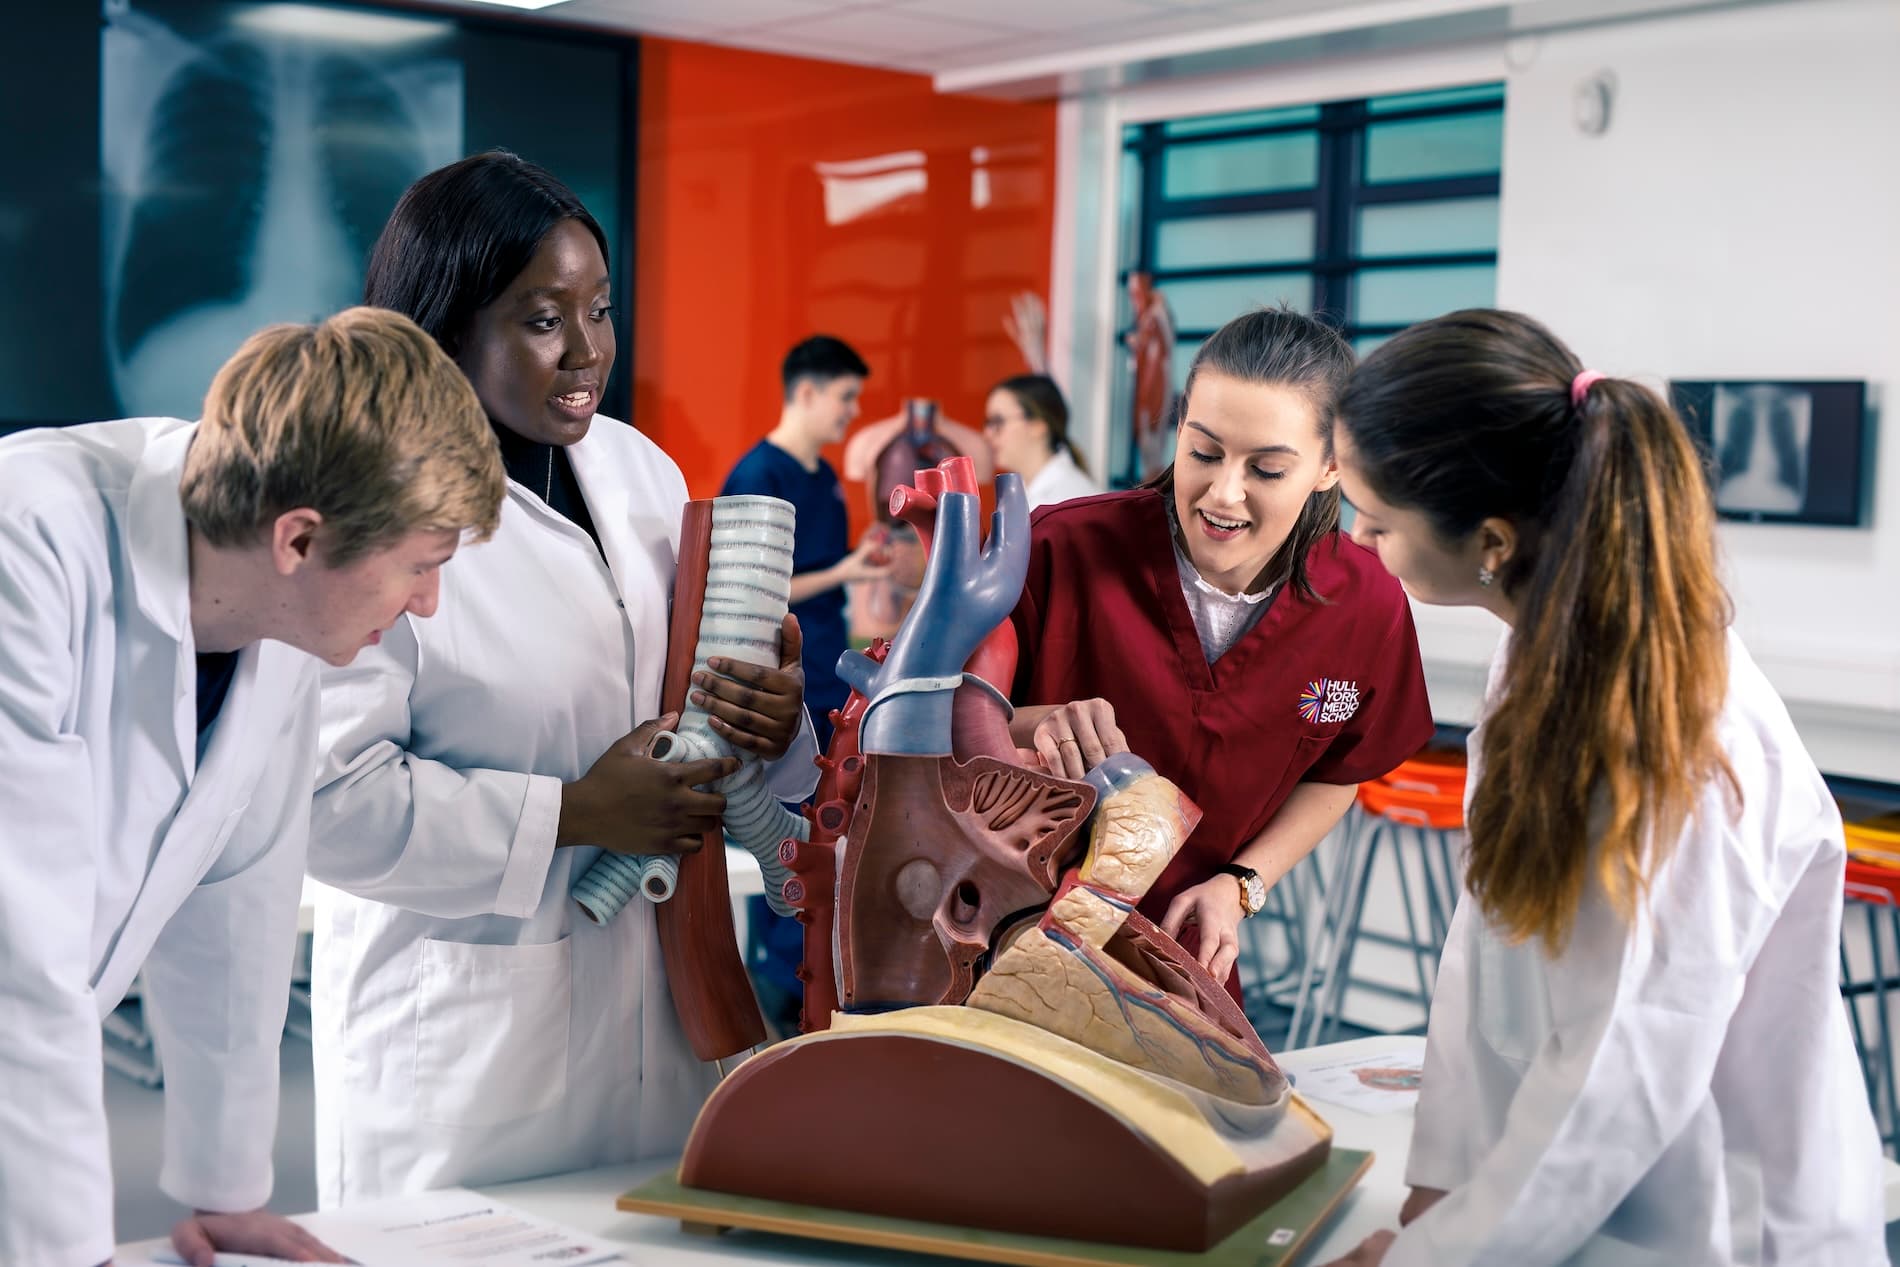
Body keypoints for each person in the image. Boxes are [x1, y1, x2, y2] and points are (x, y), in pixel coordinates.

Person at [1321, 309, 1884, 1266]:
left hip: (1712, 1223)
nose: (1361, 542)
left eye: (1377, 523)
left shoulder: (1686, 741)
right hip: (1563, 1203)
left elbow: (1621, 1066)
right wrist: (1445, 1177)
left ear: (1491, 538)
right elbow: (1487, 934)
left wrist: (1440, 1254)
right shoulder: (1537, 657)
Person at [308, 151, 819, 1204]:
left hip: (665, 1011)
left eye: (600, 309)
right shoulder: (368, 506)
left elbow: (692, 714)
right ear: (446, 328)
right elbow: (327, 800)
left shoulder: (642, 475)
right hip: (470, 1040)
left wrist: (775, 716)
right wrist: (573, 813)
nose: (587, 351)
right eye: (544, 319)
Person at [0, 307, 503, 1265]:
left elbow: (239, 898)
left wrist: (220, 1190)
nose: (426, 605)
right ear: (300, 540)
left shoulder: (278, 618)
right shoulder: (25, 545)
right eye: (421, 566)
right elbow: (14, 959)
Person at [1007, 307, 1435, 995]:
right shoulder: (1060, 549)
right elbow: (928, 726)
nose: (1222, 492)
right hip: (1004, 949)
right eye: (1202, 452)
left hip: (1182, 967)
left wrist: (1240, 885)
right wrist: (1033, 722)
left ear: (1331, 466)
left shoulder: (1366, 601)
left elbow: (1338, 770)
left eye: (1266, 469)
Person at [722, 335, 888, 751]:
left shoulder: (827, 477)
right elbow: (751, 593)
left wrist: (859, 558)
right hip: (780, 677)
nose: (855, 410)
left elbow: (822, 563)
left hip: (829, 666)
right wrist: (842, 573)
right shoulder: (757, 479)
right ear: (808, 392)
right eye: (846, 396)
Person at [983, 373, 1099, 510]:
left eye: (998, 421)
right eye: (988, 423)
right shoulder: (1020, 494)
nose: (987, 434)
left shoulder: (1069, 501)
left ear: (1038, 425)